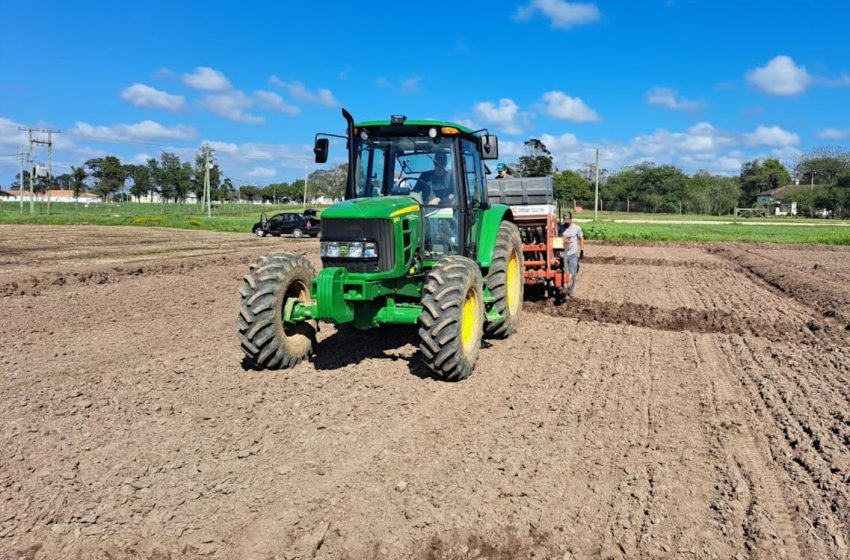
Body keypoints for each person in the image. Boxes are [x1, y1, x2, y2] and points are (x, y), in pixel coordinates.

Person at [560, 211, 584, 297]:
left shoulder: (576, 228)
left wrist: (582, 250)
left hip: (572, 254)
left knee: (573, 273)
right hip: (562, 255)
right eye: (565, 219)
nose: (566, 221)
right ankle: (563, 289)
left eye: (567, 219)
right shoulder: (561, 228)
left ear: (571, 219)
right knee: (563, 273)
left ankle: (571, 292)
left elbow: (581, 238)